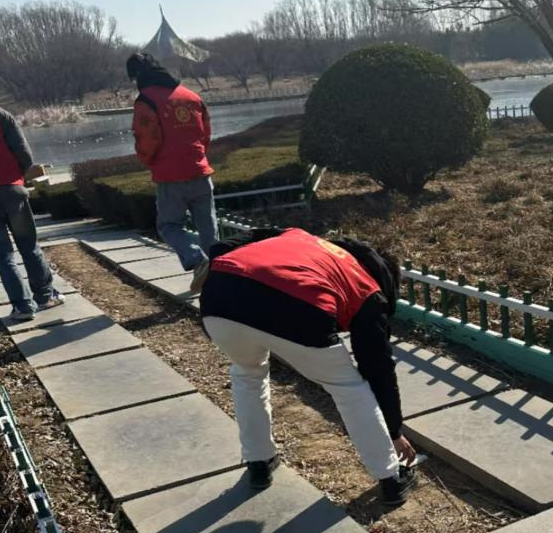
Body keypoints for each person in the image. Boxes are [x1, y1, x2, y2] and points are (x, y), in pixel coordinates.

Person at [199, 227, 418, 505]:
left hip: (219, 298)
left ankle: (258, 461)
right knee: (349, 389)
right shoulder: (365, 285)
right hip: (298, 306)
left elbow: (220, 247)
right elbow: (377, 369)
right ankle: (391, 477)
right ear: (385, 279)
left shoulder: (300, 237)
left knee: (247, 373)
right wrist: (394, 431)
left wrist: (220, 268)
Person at [127, 53, 217, 291]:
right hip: (200, 171)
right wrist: (197, 156)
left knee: (169, 226)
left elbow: (146, 138)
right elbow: (205, 133)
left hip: (170, 176)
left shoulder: (146, 100)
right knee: (208, 230)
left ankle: (197, 259)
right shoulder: (191, 96)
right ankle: (220, 274)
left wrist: (148, 160)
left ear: (136, 75)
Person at [0, 106, 65, 321]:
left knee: (2, 255)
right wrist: (18, 175)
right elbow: (23, 152)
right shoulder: (1, 115)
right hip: (11, 189)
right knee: (29, 245)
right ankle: (45, 295)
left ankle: (23, 306)